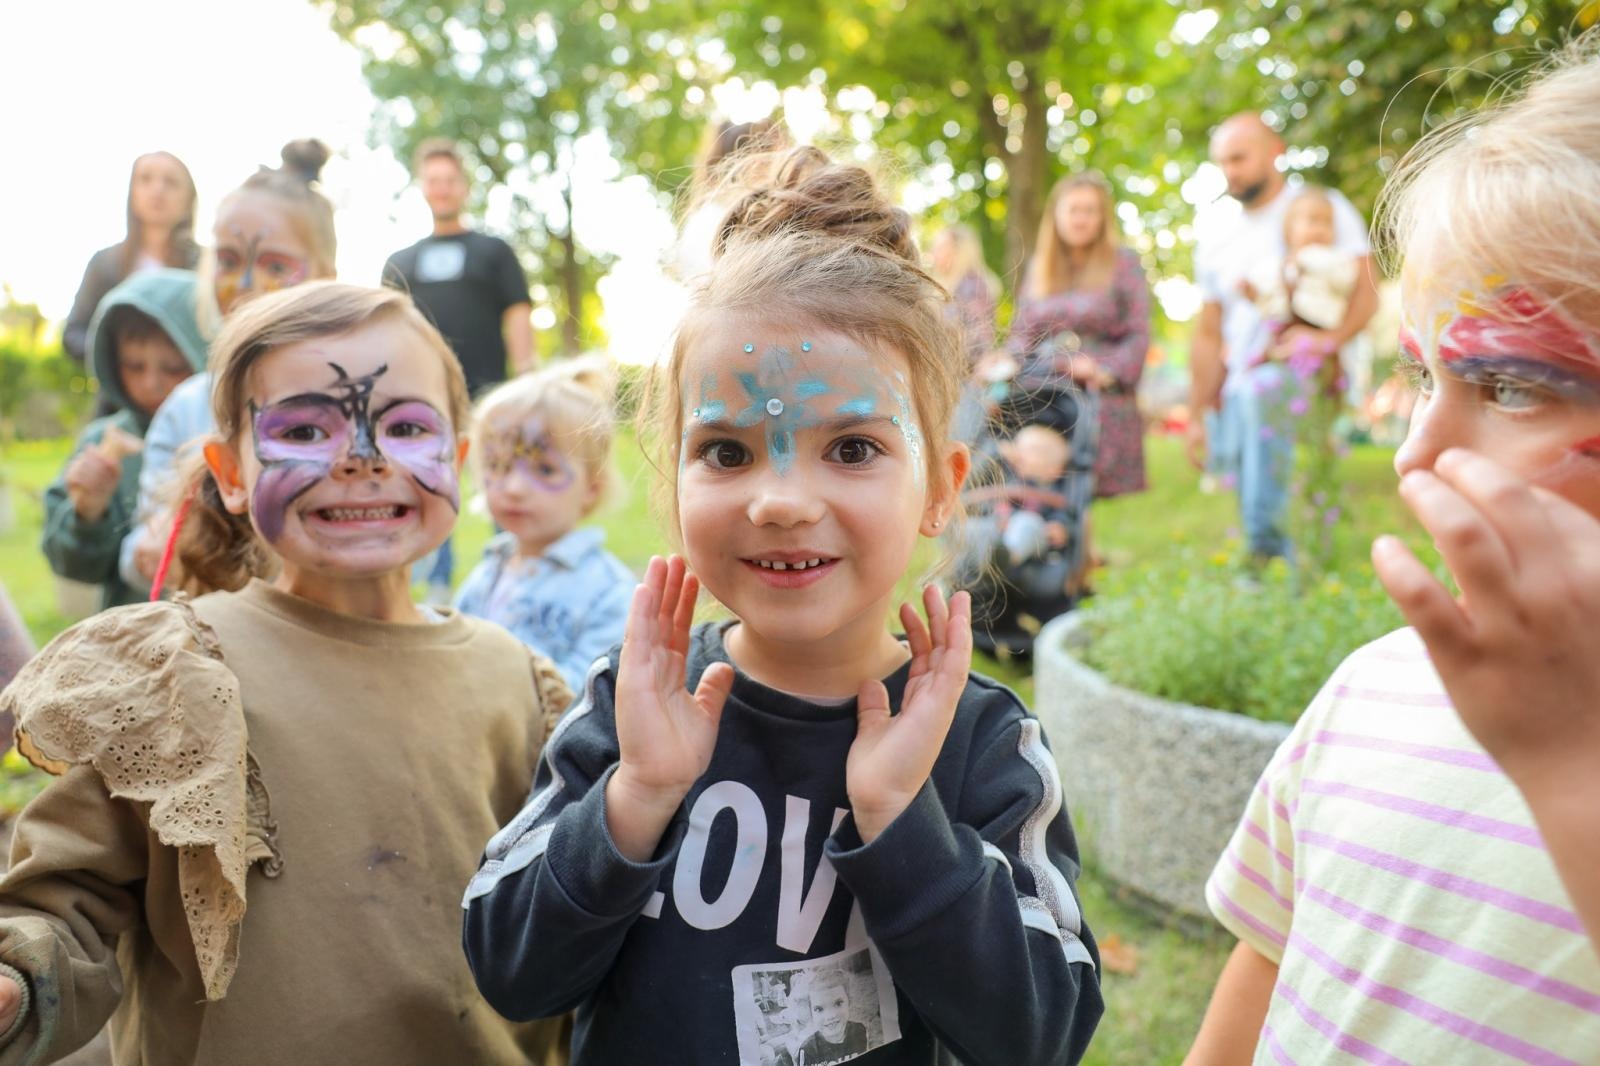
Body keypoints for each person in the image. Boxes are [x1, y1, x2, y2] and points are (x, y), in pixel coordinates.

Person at [462, 145, 1103, 1064]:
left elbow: (1042, 1031)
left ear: (941, 488)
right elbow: (508, 972)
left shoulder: (981, 744)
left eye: (851, 449)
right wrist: (635, 796)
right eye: (726, 452)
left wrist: (900, 820)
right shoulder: (629, 707)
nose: (781, 501)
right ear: (671, 482)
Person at [0, 283, 572, 1065]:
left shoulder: (518, 685)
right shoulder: (169, 677)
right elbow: (68, 905)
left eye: (405, 426)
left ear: (458, 459)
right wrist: (20, 978)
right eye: (305, 428)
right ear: (230, 474)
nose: (362, 457)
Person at [1186, 41, 1600, 1063]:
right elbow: (1264, 967)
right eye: (1423, 376)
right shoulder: (1374, 688)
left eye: (1509, 385)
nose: (1417, 450)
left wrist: (1566, 773)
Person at [119, 140, 338, 597]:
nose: (245, 285)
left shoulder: (351, 402)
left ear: (325, 276)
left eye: (275, 264)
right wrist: (150, 545)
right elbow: (138, 548)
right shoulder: (186, 407)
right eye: (228, 260)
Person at [1187, 115, 1377, 562]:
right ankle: (1285, 563)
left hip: (1302, 371)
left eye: (1239, 157)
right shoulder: (1215, 235)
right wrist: (1197, 412)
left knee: (1264, 407)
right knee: (1244, 466)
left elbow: (1367, 293)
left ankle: (1267, 558)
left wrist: (1329, 341)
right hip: (1239, 376)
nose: (1230, 170)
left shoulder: (1319, 208)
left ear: (1275, 150)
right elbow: (1209, 333)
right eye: (1222, 162)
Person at [383, 138, 534, 599]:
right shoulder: (399, 261)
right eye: (434, 181)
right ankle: (438, 586)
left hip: (491, 392)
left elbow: (518, 314)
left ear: (464, 187)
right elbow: (387, 327)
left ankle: (509, 578)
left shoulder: (494, 252)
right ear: (422, 188)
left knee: (502, 484)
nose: (442, 189)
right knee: (430, 480)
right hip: (424, 395)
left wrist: (528, 377)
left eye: (450, 180)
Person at [454, 356, 634, 692]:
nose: (514, 488)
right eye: (499, 465)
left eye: (544, 470)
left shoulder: (608, 592)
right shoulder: (488, 573)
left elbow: (596, 694)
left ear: (591, 487)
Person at [42, 269, 207, 609]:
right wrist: (88, 510)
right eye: (134, 366)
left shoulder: (227, 436)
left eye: (173, 367)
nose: (151, 384)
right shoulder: (105, 440)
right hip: (133, 636)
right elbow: (76, 569)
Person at [1000, 173, 1151, 498]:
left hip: (1098, 386)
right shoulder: (1040, 267)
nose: (1081, 219)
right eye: (1074, 210)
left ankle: (1077, 538)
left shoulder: (1122, 263)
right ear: (1057, 215)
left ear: (1102, 217)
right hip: (1044, 383)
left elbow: (1138, 332)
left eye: (1090, 210)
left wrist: (1103, 371)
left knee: (1082, 457)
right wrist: (1003, 364)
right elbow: (1022, 333)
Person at [62, 152, 200, 368]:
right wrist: (120, 358)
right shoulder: (105, 263)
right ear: (131, 192)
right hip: (115, 400)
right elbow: (73, 333)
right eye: (145, 179)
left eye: (171, 182)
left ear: (188, 198)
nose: (158, 189)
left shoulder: (206, 265)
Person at [928, 224, 1000, 445]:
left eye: (941, 247)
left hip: (964, 386)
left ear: (958, 250)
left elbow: (977, 341)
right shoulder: (962, 286)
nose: (934, 253)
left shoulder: (970, 286)